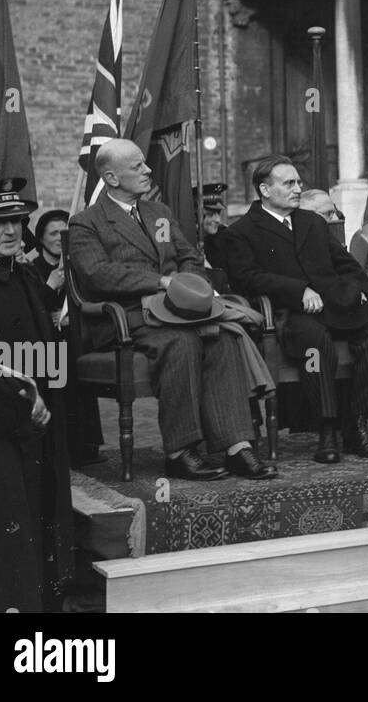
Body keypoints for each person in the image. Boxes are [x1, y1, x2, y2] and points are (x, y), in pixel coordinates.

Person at [67, 138, 276, 480]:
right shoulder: (86, 223)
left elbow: (190, 256)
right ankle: (180, 452)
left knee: (221, 339)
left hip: (180, 311)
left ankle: (237, 446)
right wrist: (161, 283)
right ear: (112, 178)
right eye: (137, 166)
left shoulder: (159, 213)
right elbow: (98, 274)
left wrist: (188, 286)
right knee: (182, 343)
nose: (148, 170)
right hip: (127, 317)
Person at [225, 156, 368, 464]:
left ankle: (356, 424)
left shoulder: (313, 222)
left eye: (299, 182)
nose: (298, 188)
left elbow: (346, 264)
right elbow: (248, 278)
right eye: (289, 183)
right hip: (289, 314)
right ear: (264, 189)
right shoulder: (243, 231)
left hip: (335, 305)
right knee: (315, 344)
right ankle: (327, 429)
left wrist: (362, 292)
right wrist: (297, 290)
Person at [0, 178, 74, 612]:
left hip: (37, 430)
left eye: (16, 221)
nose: (11, 230)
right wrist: (24, 403)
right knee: (1, 541)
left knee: (41, 523)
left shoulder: (25, 274)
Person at [27, 209, 69, 314]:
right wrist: (50, 287)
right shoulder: (30, 271)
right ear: (41, 238)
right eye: (53, 234)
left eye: (64, 233)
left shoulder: (76, 269)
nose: (60, 238)